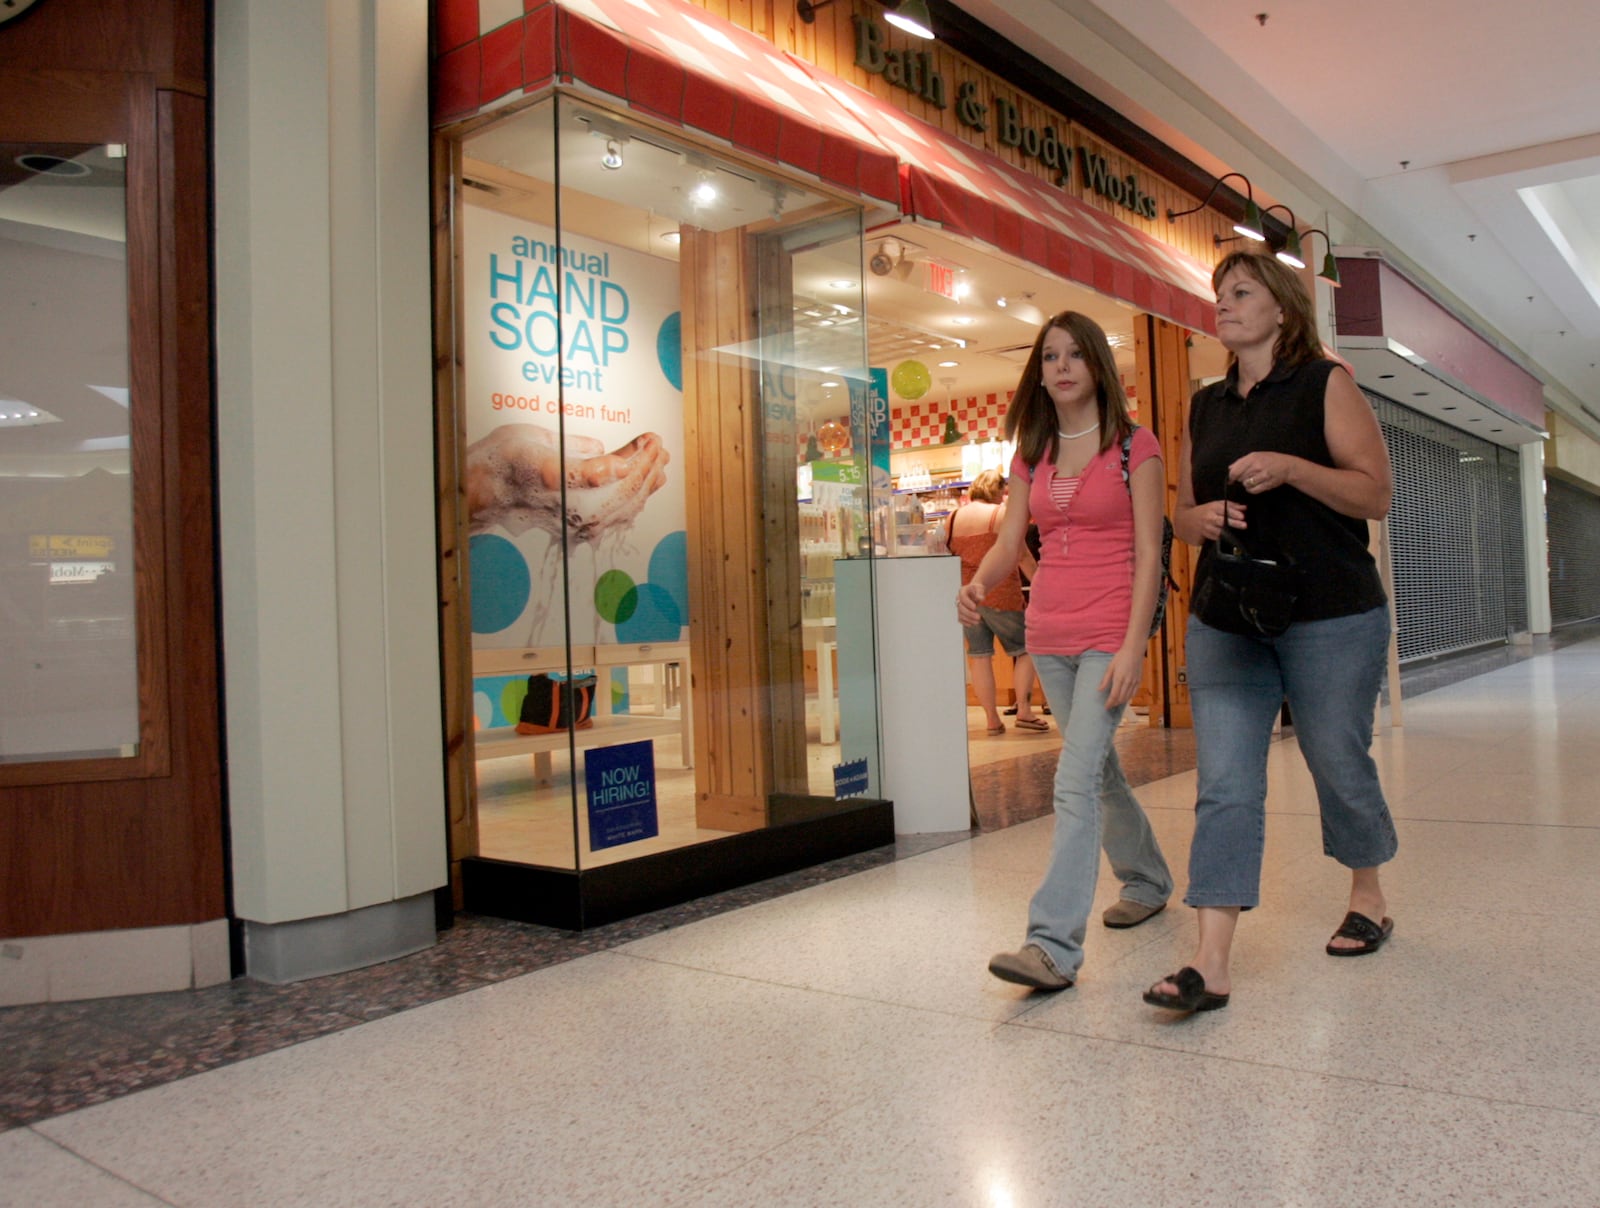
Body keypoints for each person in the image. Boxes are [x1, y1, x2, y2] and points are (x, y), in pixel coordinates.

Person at [1143, 251, 1397, 1017]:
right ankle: (1209, 962)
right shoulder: (1205, 404)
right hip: (1229, 615)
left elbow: (1375, 493)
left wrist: (1292, 468)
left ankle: (1369, 893)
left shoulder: (1326, 384)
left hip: (1330, 611)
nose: (1223, 304)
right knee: (1223, 780)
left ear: (1282, 308)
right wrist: (1202, 520)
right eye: (1219, 294)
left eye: (1241, 292)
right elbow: (1183, 514)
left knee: (1333, 757)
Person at [958, 311, 1173, 992]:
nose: (1062, 367)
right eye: (1050, 357)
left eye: (1075, 354)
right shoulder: (1032, 451)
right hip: (1047, 630)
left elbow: (1148, 552)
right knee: (1098, 769)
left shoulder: (1136, 445)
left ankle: (1051, 945)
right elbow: (1010, 535)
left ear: (1097, 366)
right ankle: (1148, 878)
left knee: (1074, 779)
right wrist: (981, 581)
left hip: (1110, 630)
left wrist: (1136, 646)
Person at [947, 468, 1047, 736]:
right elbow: (1022, 556)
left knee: (979, 657)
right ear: (997, 491)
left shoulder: (952, 518)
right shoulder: (999, 515)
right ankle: (1025, 711)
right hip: (1002, 594)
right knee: (1027, 648)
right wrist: (1041, 582)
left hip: (968, 595)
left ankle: (992, 719)